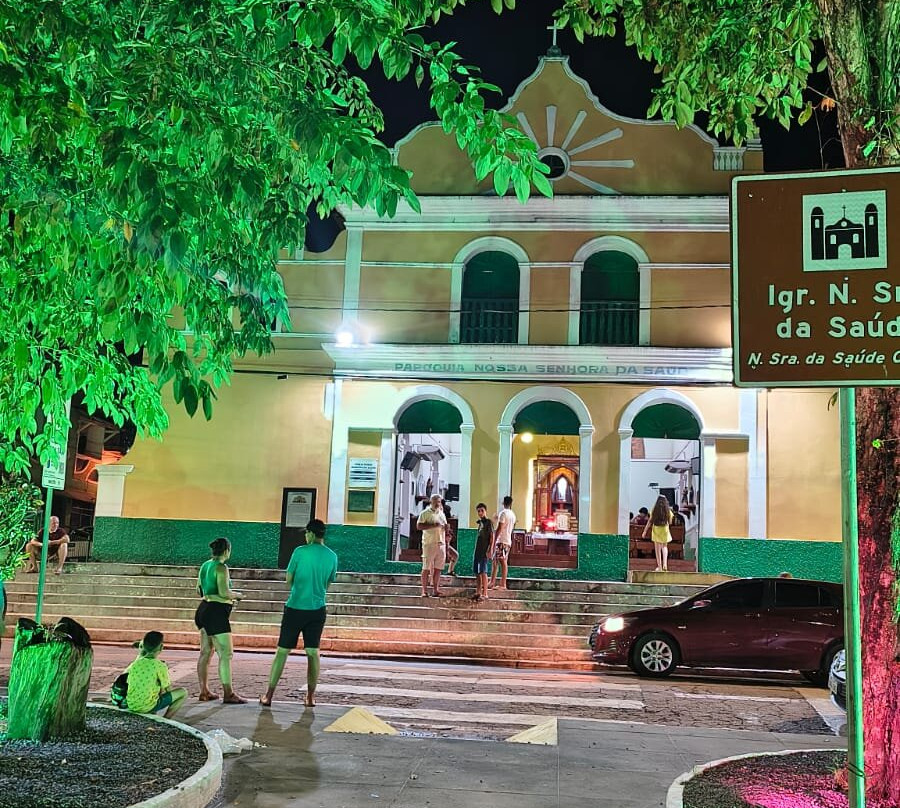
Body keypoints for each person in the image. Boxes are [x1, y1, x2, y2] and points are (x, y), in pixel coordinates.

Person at [260, 519, 338, 709]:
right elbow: (328, 583)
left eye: (306, 533)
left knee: (282, 652)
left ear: (311, 534)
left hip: (295, 608)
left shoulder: (299, 552)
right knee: (313, 653)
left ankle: (269, 695)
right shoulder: (332, 556)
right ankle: (310, 697)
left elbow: (288, 580)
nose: (305, 536)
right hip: (317, 609)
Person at [194, 537, 246, 704]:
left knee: (205, 652)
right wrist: (237, 595)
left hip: (203, 609)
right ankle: (228, 693)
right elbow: (224, 592)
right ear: (227, 551)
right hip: (216, 613)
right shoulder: (221, 567)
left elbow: (199, 590)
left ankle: (204, 691)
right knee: (226, 653)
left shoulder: (205, 565)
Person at [124, 631, 187, 719]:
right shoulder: (160, 665)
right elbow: (167, 689)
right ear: (161, 647)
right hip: (147, 707)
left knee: (153, 685)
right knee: (183, 692)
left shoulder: (135, 664)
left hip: (131, 704)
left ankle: (152, 711)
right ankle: (165, 720)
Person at [417, 494, 447, 597]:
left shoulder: (442, 514)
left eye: (439, 502)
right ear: (431, 502)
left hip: (441, 543)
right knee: (426, 568)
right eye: (435, 502)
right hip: (429, 543)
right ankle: (424, 591)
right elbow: (419, 526)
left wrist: (446, 529)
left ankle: (435, 589)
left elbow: (443, 526)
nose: (437, 504)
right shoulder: (424, 513)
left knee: (438, 568)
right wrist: (433, 525)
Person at [489, 496, 516, 591]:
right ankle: (492, 582)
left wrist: (494, 539)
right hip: (507, 540)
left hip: (502, 540)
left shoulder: (503, 513)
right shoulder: (512, 514)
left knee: (502, 561)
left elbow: (500, 528)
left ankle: (503, 584)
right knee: (495, 560)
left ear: (503, 502)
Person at [642, 496, 673, 572]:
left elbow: (650, 521)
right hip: (665, 528)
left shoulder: (654, 509)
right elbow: (670, 521)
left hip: (656, 529)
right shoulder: (668, 510)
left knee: (657, 548)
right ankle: (665, 564)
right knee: (664, 546)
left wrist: (645, 531)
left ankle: (659, 567)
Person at [472, 503, 493, 601]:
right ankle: (478, 591)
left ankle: (485, 593)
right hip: (478, 550)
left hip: (484, 550)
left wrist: (490, 549)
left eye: (482, 511)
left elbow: (492, 537)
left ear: (485, 511)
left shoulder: (488, 522)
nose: (480, 513)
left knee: (483, 571)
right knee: (477, 571)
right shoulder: (480, 523)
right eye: (478, 511)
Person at [442, 499, 459, 576]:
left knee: (455, 555)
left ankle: (450, 571)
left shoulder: (447, 522)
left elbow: (448, 538)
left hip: (445, 542)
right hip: (438, 542)